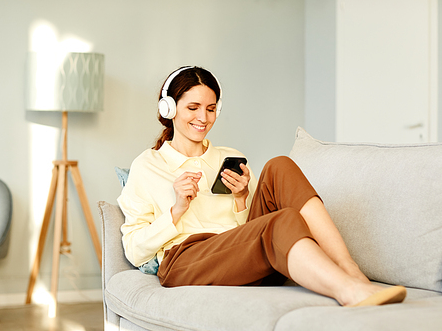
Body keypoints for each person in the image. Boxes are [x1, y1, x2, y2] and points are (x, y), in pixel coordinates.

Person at [117, 66, 407, 307]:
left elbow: (246, 233)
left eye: (210, 108)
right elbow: (134, 249)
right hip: (186, 260)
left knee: (280, 165)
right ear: (169, 108)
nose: (203, 118)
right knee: (283, 221)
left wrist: (242, 197)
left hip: (239, 256)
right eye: (192, 108)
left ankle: (350, 270)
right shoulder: (148, 166)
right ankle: (347, 291)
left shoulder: (227, 157)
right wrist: (176, 211)